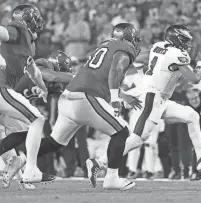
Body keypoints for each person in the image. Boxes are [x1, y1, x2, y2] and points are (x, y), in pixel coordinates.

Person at [9, 23, 143, 191]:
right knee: (122, 132)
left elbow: (100, 76)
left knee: (55, 142)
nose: (136, 44)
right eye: (135, 40)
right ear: (128, 38)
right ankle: (112, 178)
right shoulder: (124, 48)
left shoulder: (105, 45)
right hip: (86, 98)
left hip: (68, 98)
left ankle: (20, 160)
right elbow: (115, 71)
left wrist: (122, 95)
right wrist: (116, 98)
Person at [123, 24, 201, 174]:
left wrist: (141, 67)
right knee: (137, 140)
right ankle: (100, 161)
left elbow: (141, 57)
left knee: (192, 116)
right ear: (175, 39)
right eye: (184, 40)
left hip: (159, 97)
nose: (187, 44)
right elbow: (196, 79)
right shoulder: (176, 55)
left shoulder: (158, 45)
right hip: (153, 97)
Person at [0, 50, 73, 188]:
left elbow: (63, 93)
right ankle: (25, 170)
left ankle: (20, 173)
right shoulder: (42, 65)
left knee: (27, 131)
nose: (64, 75)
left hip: (8, 107)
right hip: (4, 98)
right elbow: (51, 76)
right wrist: (77, 77)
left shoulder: (55, 86)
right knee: (34, 122)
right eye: (63, 71)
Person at [0, 4, 55, 185]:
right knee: (37, 119)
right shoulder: (18, 30)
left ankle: (15, 164)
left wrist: (43, 88)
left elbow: (34, 72)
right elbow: (4, 33)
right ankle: (31, 171)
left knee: (22, 129)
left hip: (5, 90)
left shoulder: (28, 45)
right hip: (2, 87)